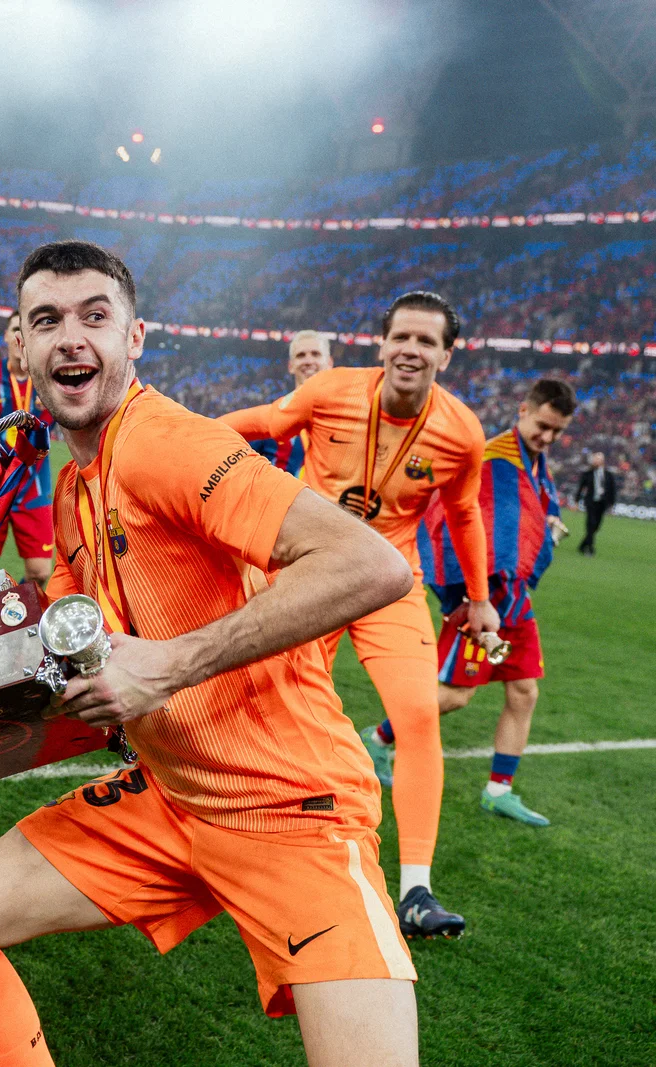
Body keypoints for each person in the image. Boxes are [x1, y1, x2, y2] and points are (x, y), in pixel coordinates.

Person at [0, 241, 419, 1067]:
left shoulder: (163, 442)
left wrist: (171, 664)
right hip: (172, 799)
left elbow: (372, 564)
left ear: (134, 337)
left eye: (95, 316)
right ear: (21, 349)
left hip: (289, 807)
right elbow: (67, 640)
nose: (72, 337)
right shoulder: (72, 485)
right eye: (48, 320)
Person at [220, 290, 498, 940]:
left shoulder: (462, 433)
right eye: (402, 336)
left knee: (419, 716)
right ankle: (259, 843)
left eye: (427, 341)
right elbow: (250, 424)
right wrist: (188, 460)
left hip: (391, 582)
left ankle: (416, 891)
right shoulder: (330, 391)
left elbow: (463, 514)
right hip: (313, 571)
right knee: (273, 706)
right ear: (383, 343)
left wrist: (480, 597)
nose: (411, 349)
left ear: (446, 356)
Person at [395, 380, 575, 827]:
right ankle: (376, 741)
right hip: (483, 601)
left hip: (515, 600)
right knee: (456, 695)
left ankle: (499, 791)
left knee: (524, 690)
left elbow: (525, 526)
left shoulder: (535, 463)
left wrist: (544, 535)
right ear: (523, 409)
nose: (548, 437)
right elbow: (464, 525)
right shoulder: (495, 459)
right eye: (543, 426)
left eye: (557, 431)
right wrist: (468, 597)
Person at [0, 311, 55, 585]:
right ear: (5, 336)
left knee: (40, 572)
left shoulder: (48, 383)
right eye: (15, 329)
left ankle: (18, 608)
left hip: (33, 487)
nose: (19, 337)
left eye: (26, 330)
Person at [250, 330, 333, 476]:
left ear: (329, 363)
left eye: (316, 354)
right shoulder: (272, 417)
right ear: (291, 366)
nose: (308, 361)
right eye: (301, 355)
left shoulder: (347, 418)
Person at [575, 451, 616, 555]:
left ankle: (582, 545)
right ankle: (590, 548)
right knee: (590, 524)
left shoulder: (608, 475)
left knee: (596, 527)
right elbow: (581, 488)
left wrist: (611, 505)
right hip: (591, 503)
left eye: (598, 459)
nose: (595, 461)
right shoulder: (588, 473)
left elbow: (612, 490)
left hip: (602, 503)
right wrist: (577, 501)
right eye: (594, 459)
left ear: (602, 461)